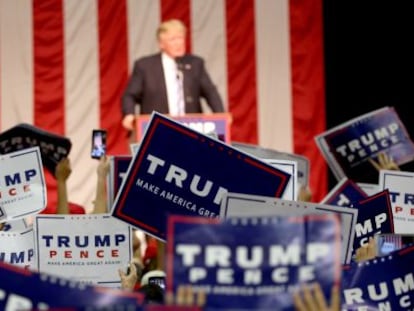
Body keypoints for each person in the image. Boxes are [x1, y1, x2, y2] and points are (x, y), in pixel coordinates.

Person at [121, 18, 224, 134]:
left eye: (181, 38)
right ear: (161, 44)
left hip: (191, 129)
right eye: (173, 39)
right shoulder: (145, 66)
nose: (179, 43)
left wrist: (220, 115)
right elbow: (129, 95)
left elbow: (210, 92)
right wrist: (129, 115)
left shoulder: (195, 63)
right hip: (157, 128)